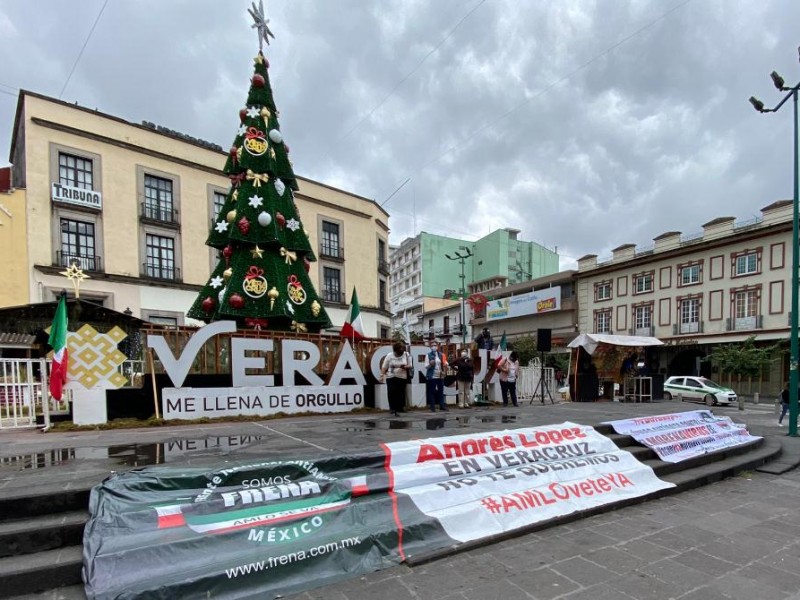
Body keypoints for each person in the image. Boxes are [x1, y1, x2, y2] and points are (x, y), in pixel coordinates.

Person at [381, 341, 412, 416]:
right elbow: (384, 366)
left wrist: (404, 366)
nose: (400, 353)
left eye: (402, 351)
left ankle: (400, 407)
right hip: (391, 376)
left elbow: (410, 365)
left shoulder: (407, 355)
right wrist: (382, 375)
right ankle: (392, 408)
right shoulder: (389, 355)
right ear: (395, 350)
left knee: (401, 392)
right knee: (391, 392)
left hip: (402, 376)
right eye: (398, 352)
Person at [425, 341, 448, 412]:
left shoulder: (441, 354)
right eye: (432, 345)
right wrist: (430, 364)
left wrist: (446, 365)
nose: (434, 347)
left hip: (440, 376)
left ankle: (442, 406)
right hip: (432, 376)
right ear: (430, 347)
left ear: (437, 346)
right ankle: (432, 406)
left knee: (441, 391)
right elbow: (426, 366)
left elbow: (445, 362)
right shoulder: (428, 355)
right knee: (432, 391)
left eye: (435, 345)